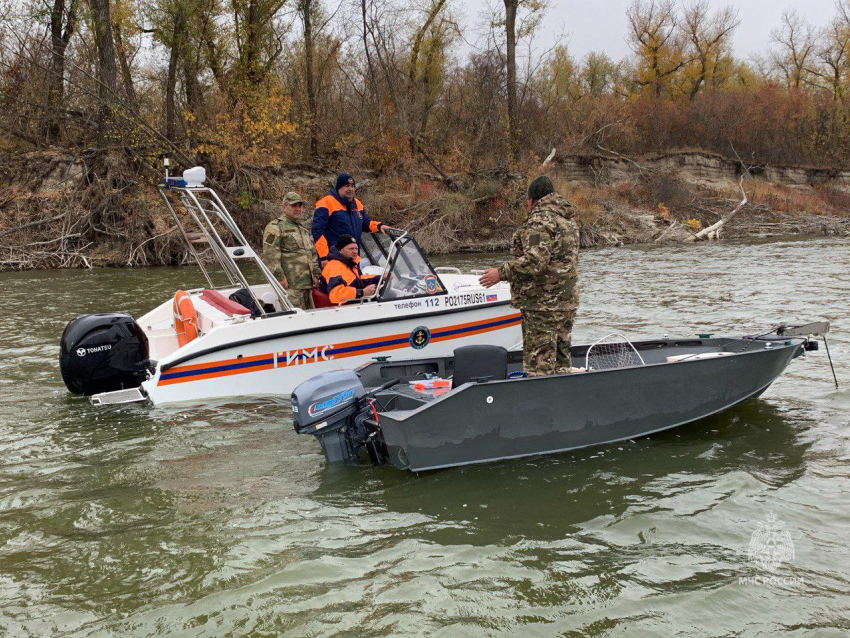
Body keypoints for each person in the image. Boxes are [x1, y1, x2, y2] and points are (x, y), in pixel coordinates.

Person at [479, 176, 579, 376]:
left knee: (539, 368)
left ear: (533, 200)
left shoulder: (540, 222)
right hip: (565, 303)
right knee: (561, 366)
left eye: (527, 200)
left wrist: (501, 272)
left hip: (542, 305)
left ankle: (541, 404)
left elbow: (535, 261)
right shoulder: (567, 220)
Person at [312, 173, 387, 267]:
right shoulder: (326, 202)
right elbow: (317, 232)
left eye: (352, 186)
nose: (350, 189)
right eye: (347, 186)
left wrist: (379, 226)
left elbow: (366, 224)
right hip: (334, 258)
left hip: (353, 258)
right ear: (339, 188)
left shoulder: (357, 204)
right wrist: (324, 257)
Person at [262, 191, 320, 310]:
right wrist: (280, 278)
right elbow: (270, 256)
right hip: (291, 287)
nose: (298, 209)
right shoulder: (275, 227)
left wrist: (315, 274)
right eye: (294, 205)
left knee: (309, 320)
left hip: (307, 286)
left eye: (300, 206)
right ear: (284, 207)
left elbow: (312, 254)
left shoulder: (303, 230)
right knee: (294, 320)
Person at [320, 234, 381, 304]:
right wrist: (362, 292)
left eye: (356, 249)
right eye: (351, 249)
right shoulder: (334, 266)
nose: (355, 251)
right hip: (340, 310)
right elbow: (336, 295)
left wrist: (380, 277)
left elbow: (358, 280)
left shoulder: (349, 263)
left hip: (352, 305)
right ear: (340, 250)